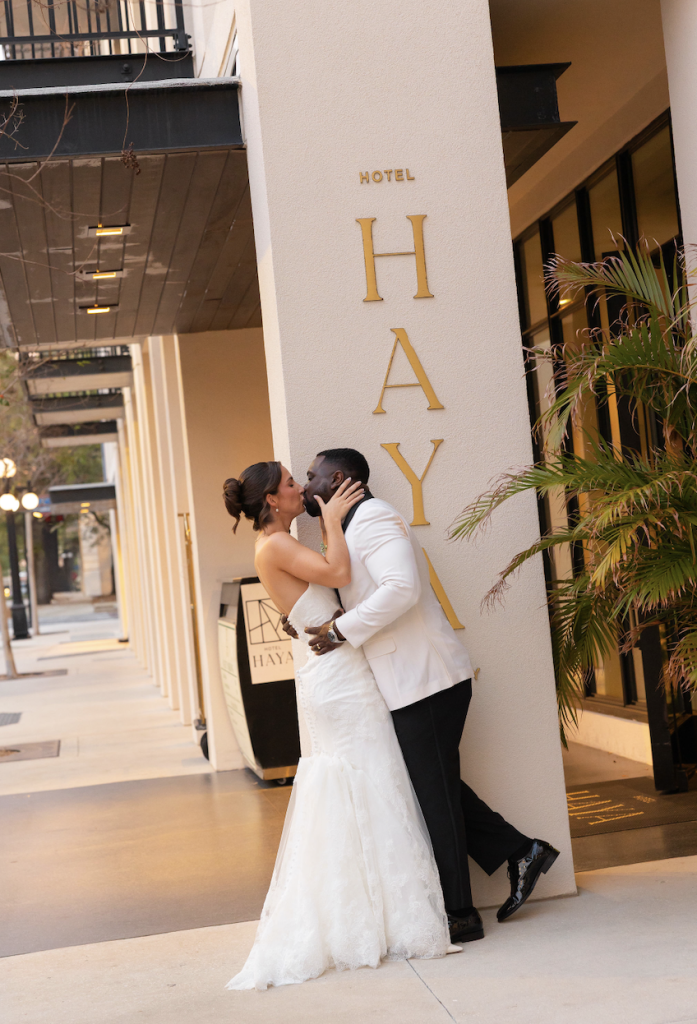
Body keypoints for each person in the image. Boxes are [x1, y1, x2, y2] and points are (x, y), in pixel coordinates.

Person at [299, 448, 559, 942]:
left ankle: (461, 914)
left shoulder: (374, 518)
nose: (308, 483)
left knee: (434, 797)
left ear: (340, 478)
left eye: (313, 475)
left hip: (427, 681)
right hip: (410, 683)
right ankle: (521, 852)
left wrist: (339, 631)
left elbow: (401, 589)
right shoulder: (351, 528)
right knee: (435, 787)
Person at [222, 460, 456, 992]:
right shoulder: (276, 543)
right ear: (272, 503)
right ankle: (378, 918)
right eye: (288, 484)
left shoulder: (275, 543)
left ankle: (373, 914)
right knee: (373, 779)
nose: (299, 488)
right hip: (338, 679)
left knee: (369, 784)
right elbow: (339, 575)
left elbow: (312, 598)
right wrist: (332, 515)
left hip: (333, 674)